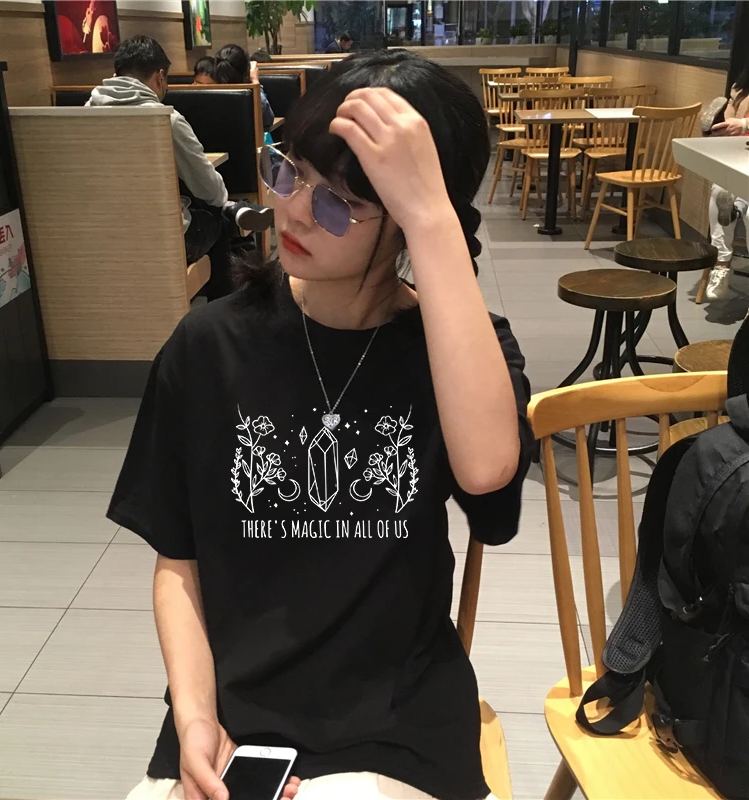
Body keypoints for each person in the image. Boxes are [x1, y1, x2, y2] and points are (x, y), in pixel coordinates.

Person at [108, 50, 531, 800]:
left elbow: (488, 474)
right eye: (289, 171)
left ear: (409, 222)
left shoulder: (458, 353)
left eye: (339, 203)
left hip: (399, 723)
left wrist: (433, 218)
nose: (296, 211)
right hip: (233, 714)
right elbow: (179, 562)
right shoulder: (208, 346)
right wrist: (195, 715)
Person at [88, 36, 273, 300]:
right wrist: (222, 201)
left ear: (116, 75)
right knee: (218, 222)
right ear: (160, 77)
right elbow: (210, 190)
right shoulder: (167, 120)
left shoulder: (81, 115)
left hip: (98, 237)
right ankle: (222, 308)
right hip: (161, 240)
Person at [704, 63, 749, 301]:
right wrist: (723, 126)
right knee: (720, 191)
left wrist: (744, 125)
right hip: (741, 159)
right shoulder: (740, 88)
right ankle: (721, 264)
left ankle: (738, 207)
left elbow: (741, 125)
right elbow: (734, 125)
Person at [209, 43, 275, 129]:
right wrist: (255, 82)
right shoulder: (250, 97)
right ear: (247, 71)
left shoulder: (207, 96)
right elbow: (268, 120)